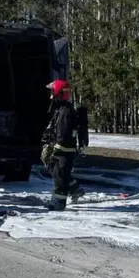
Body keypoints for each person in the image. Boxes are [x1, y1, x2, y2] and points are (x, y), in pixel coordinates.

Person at [41, 79, 86, 210]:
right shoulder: (61, 109)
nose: (50, 95)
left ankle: (58, 203)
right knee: (57, 172)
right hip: (63, 150)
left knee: (60, 177)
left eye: (52, 92)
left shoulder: (66, 112)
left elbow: (63, 134)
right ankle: (75, 189)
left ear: (58, 93)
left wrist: (54, 149)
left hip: (63, 151)